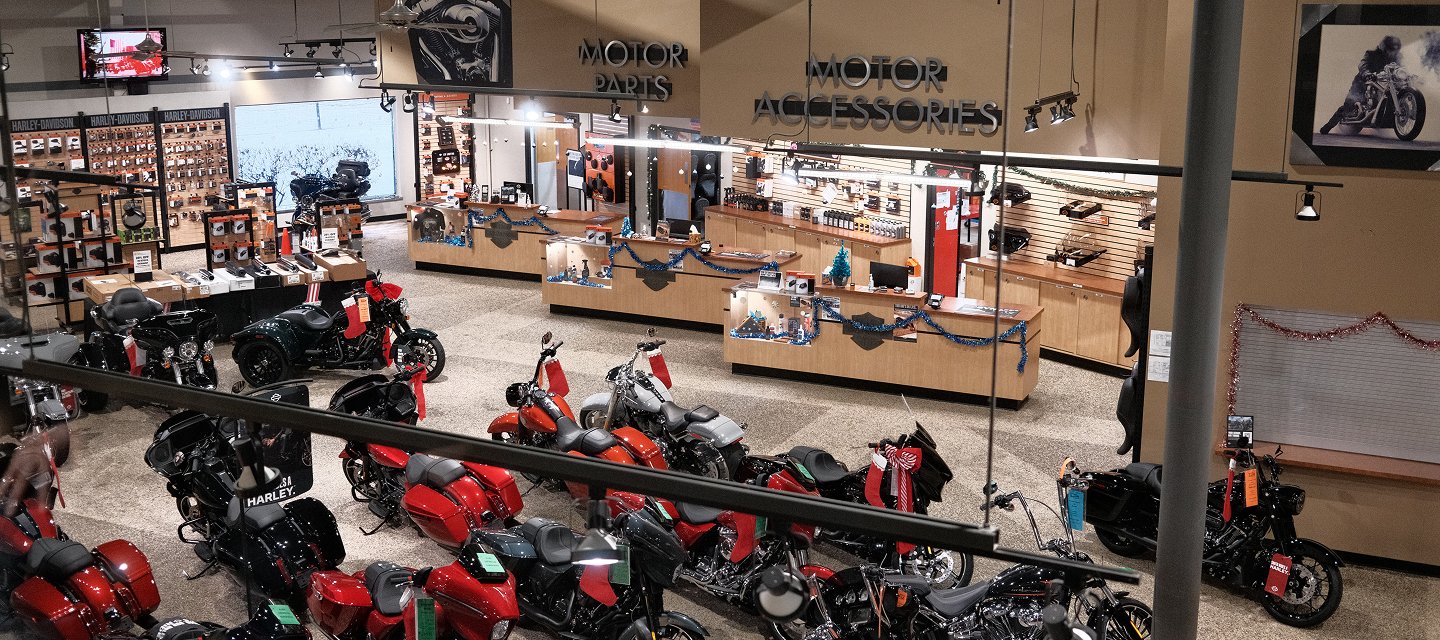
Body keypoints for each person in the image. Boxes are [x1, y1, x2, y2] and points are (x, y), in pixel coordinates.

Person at [1319, 35, 1403, 134]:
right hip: (1363, 83)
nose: (1392, 53)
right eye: (1390, 50)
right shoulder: (1371, 54)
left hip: (1386, 83)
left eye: (1394, 50)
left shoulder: (1398, 57)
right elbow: (1363, 63)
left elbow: (1403, 68)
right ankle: (1328, 126)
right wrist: (1366, 73)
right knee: (1348, 106)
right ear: (1384, 48)